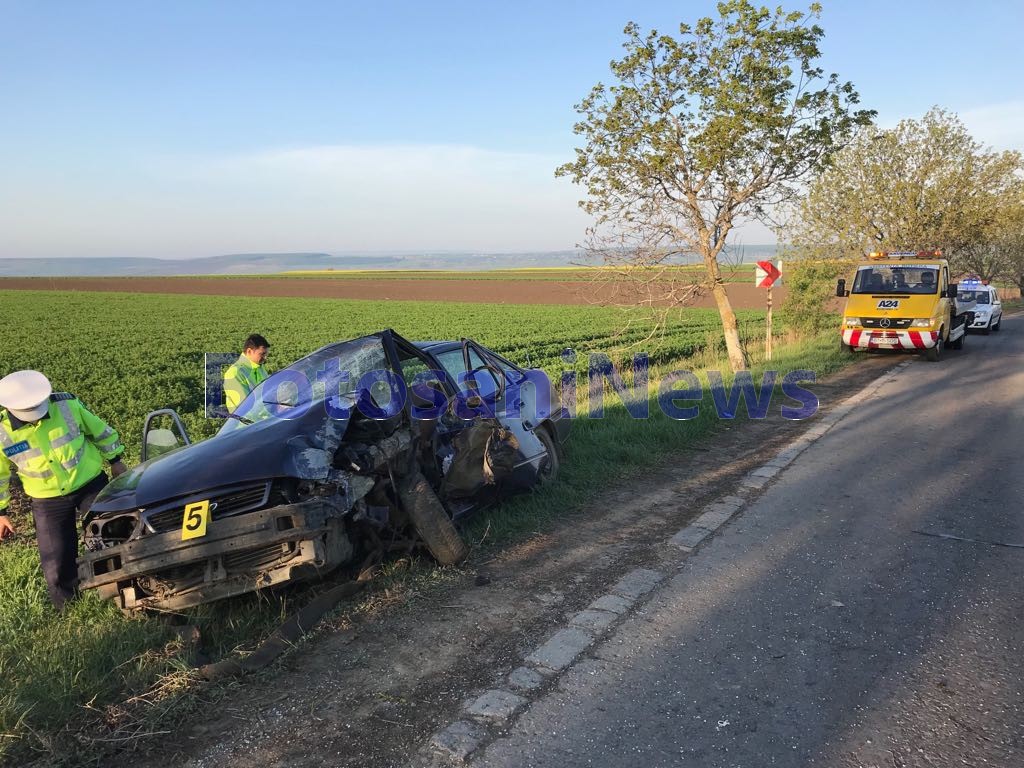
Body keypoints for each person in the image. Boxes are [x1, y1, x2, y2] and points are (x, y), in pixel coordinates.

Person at [0, 370, 127, 610]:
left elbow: (101, 431)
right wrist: (1, 513)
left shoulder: (66, 405)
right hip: (47, 501)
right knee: (56, 559)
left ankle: (124, 594)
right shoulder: (2, 431)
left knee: (111, 538)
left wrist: (116, 460)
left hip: (90, 485)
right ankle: (69, 610)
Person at [223, 334, 270, 413]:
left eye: (266, 354)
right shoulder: (235, 373)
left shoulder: (259, 367)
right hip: (246, 424)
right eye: (262, 354)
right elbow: (244, 408)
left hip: (264, 419)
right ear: (249, 351)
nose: (265, 358)